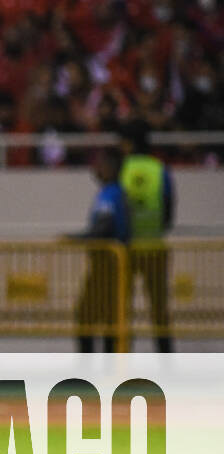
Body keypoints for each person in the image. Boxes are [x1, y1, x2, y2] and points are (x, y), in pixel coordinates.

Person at [119, 120, 174, 353]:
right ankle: (166, 360)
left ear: (128, 144)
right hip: (155, 248)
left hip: (124, 251)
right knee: (160, 311)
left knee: (122, 310)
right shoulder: (160, 170)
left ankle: (122, 360)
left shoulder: (121, 169)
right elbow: (168, 213)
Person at [69, 147, 130, 353]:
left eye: (100, 163)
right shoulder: (116, 193)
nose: (95, 168)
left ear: (111, 168)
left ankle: (91, 366)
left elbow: (104, 227)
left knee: (86, 316)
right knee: (110, 318)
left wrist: (80, 239)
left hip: (107, 265)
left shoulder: (109, 194)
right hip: (111, 265)